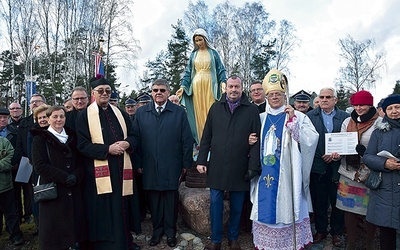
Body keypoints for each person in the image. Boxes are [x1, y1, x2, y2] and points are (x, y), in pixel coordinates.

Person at [249, 69, 318, 250]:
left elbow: (311, 139)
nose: (274, 97)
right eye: (271, 94)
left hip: (288, 172)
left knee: (288, 202)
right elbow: (251, 139)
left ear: (284, 95)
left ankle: (290, 243)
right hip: (265, 170)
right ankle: (266, 242)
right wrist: (249, 140)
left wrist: (293, 123)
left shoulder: (299, 116)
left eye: (278, 94)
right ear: (266, 96)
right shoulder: (260, 118)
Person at [76, 77, 140, 250]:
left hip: (122, 169)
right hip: (98, 172)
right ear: (93, 93)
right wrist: (107, 149)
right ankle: (105, 245)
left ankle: (125, 240)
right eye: (101, 91)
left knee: (122, 207)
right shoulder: (84, 116)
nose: (104, 94)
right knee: (103, 209)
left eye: (107, 91)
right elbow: (82, 145)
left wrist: (127, 143)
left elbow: (134, 136)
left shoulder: (120, 113)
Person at [196, 76, 260, 250]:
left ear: (242, 88)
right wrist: (202, 160)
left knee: (237, 205)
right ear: (225, 88)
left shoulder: (251, 110)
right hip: (217, 164)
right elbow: (206, 136)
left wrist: (253, 166)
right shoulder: (215, 108)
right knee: (215, 204)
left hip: (240, 165)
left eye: (237, 87)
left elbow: (257, 139)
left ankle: (233, 238)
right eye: (230, 87)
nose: (233, 90)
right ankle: (215, 240)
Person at [132, 79, 193, 247]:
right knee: (154, 201)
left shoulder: (178, 112)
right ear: (151, 92)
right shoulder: (141, 113)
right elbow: (135, 140)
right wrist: (138, 163)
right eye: (155, 90)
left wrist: (186, 164)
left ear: (168, 92)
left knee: (170, 200)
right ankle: (157, 231)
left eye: (162, 90)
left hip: (172, 164)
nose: (158, 92)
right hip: (149, 165)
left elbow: (187, 140)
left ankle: (171, 232)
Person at [31, 106, 86, 250]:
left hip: (73, 189)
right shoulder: (40, 139)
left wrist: (76, 176)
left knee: (74, 230)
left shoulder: (72, 137)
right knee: (54, 232)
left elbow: (81, 162)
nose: (58, 120)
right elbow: (40, 166)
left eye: (61, 116)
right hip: (54, 191)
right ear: (48, 119)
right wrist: (64, 177)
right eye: (54, 117)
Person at [335, 90, 381, 249]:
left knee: (370, 209)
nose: (359, 108)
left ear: (370, 104)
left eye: (362, 105)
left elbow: (382, 146)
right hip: (348, 171)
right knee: (348, 209)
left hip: (368, 173)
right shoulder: (347, 121)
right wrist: (336, 152)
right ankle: (352, 242)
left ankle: (369, 242)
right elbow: (341, 141)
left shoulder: (379, 122)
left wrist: (366, 152)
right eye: (356, 105)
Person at [307, 87, 349, 247]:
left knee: (337, 201)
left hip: (338, 167)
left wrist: (338, 154)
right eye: (322, 97)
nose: (324, 99)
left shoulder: (344, 117)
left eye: (328, 97)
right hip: (317, 166)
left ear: (335, 100)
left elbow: (349, 140)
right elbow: (307, 141)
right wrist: (321, 155)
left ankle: (337, 233)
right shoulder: (310, 117)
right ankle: (321, 230)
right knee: (319, 201)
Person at [177, 28, 227, 145]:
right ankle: (201, 143)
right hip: (196, 87)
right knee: (198, 113)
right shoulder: (193, 55)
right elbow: (188, 72)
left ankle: (213, 141)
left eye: (200, 40)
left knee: (211, 110)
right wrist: (183, 86)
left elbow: (221, 70)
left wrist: (223, 82)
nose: (199, 43)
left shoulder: (213, 53)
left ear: (205, 39)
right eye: (196, 41)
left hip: (210, 84)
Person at [363, 94, 400, 250]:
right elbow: (368, 157)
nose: (394, 111)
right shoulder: (379, 131)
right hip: (387, 190)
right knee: (387, 232)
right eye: (390, 108)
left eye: (397, 107)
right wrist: (385, 163)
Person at [12, 93, 47, 226]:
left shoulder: (49, 119)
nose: (34, 104)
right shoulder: (24, 122)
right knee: (30, 194)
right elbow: (20, 144)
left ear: (43, 103)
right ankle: (36, 222)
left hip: (44, 164)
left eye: (37, 101)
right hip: (27, 163)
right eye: (32, 102)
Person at [0, 121, 24, 246]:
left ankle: (15, 234)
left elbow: (11, 157)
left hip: (4, 185)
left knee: (10, 212)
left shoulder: (4, 142)